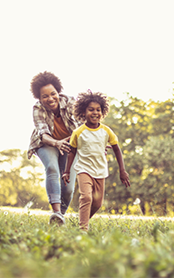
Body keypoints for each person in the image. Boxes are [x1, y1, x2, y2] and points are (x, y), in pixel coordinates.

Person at [62, 90, 130, 231]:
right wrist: (67, 171)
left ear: (102, 112)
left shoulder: (106, 131)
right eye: (91, 110)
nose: (95, 113)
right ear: (83, 112)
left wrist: (122, 170)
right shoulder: (78, 132)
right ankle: (83, 229)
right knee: (86, 198)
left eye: (98, 110)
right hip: (84, 169)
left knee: (97, 203)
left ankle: (83, 219)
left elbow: (117, 149)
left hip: (100, 171)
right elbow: (72, 151)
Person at [28, 71, 81, 225]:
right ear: (39, 98)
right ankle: (56, 211)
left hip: (70, 144)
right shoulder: (37, 108)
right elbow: (43, 134)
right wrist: (57, 143)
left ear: (58, 92)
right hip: (46, 144)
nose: (50, 99)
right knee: (52, 168)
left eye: (53, 94)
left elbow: (81, 128)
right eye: (45, 96)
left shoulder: (71, 103)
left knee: (68, 187)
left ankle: (59, 218)